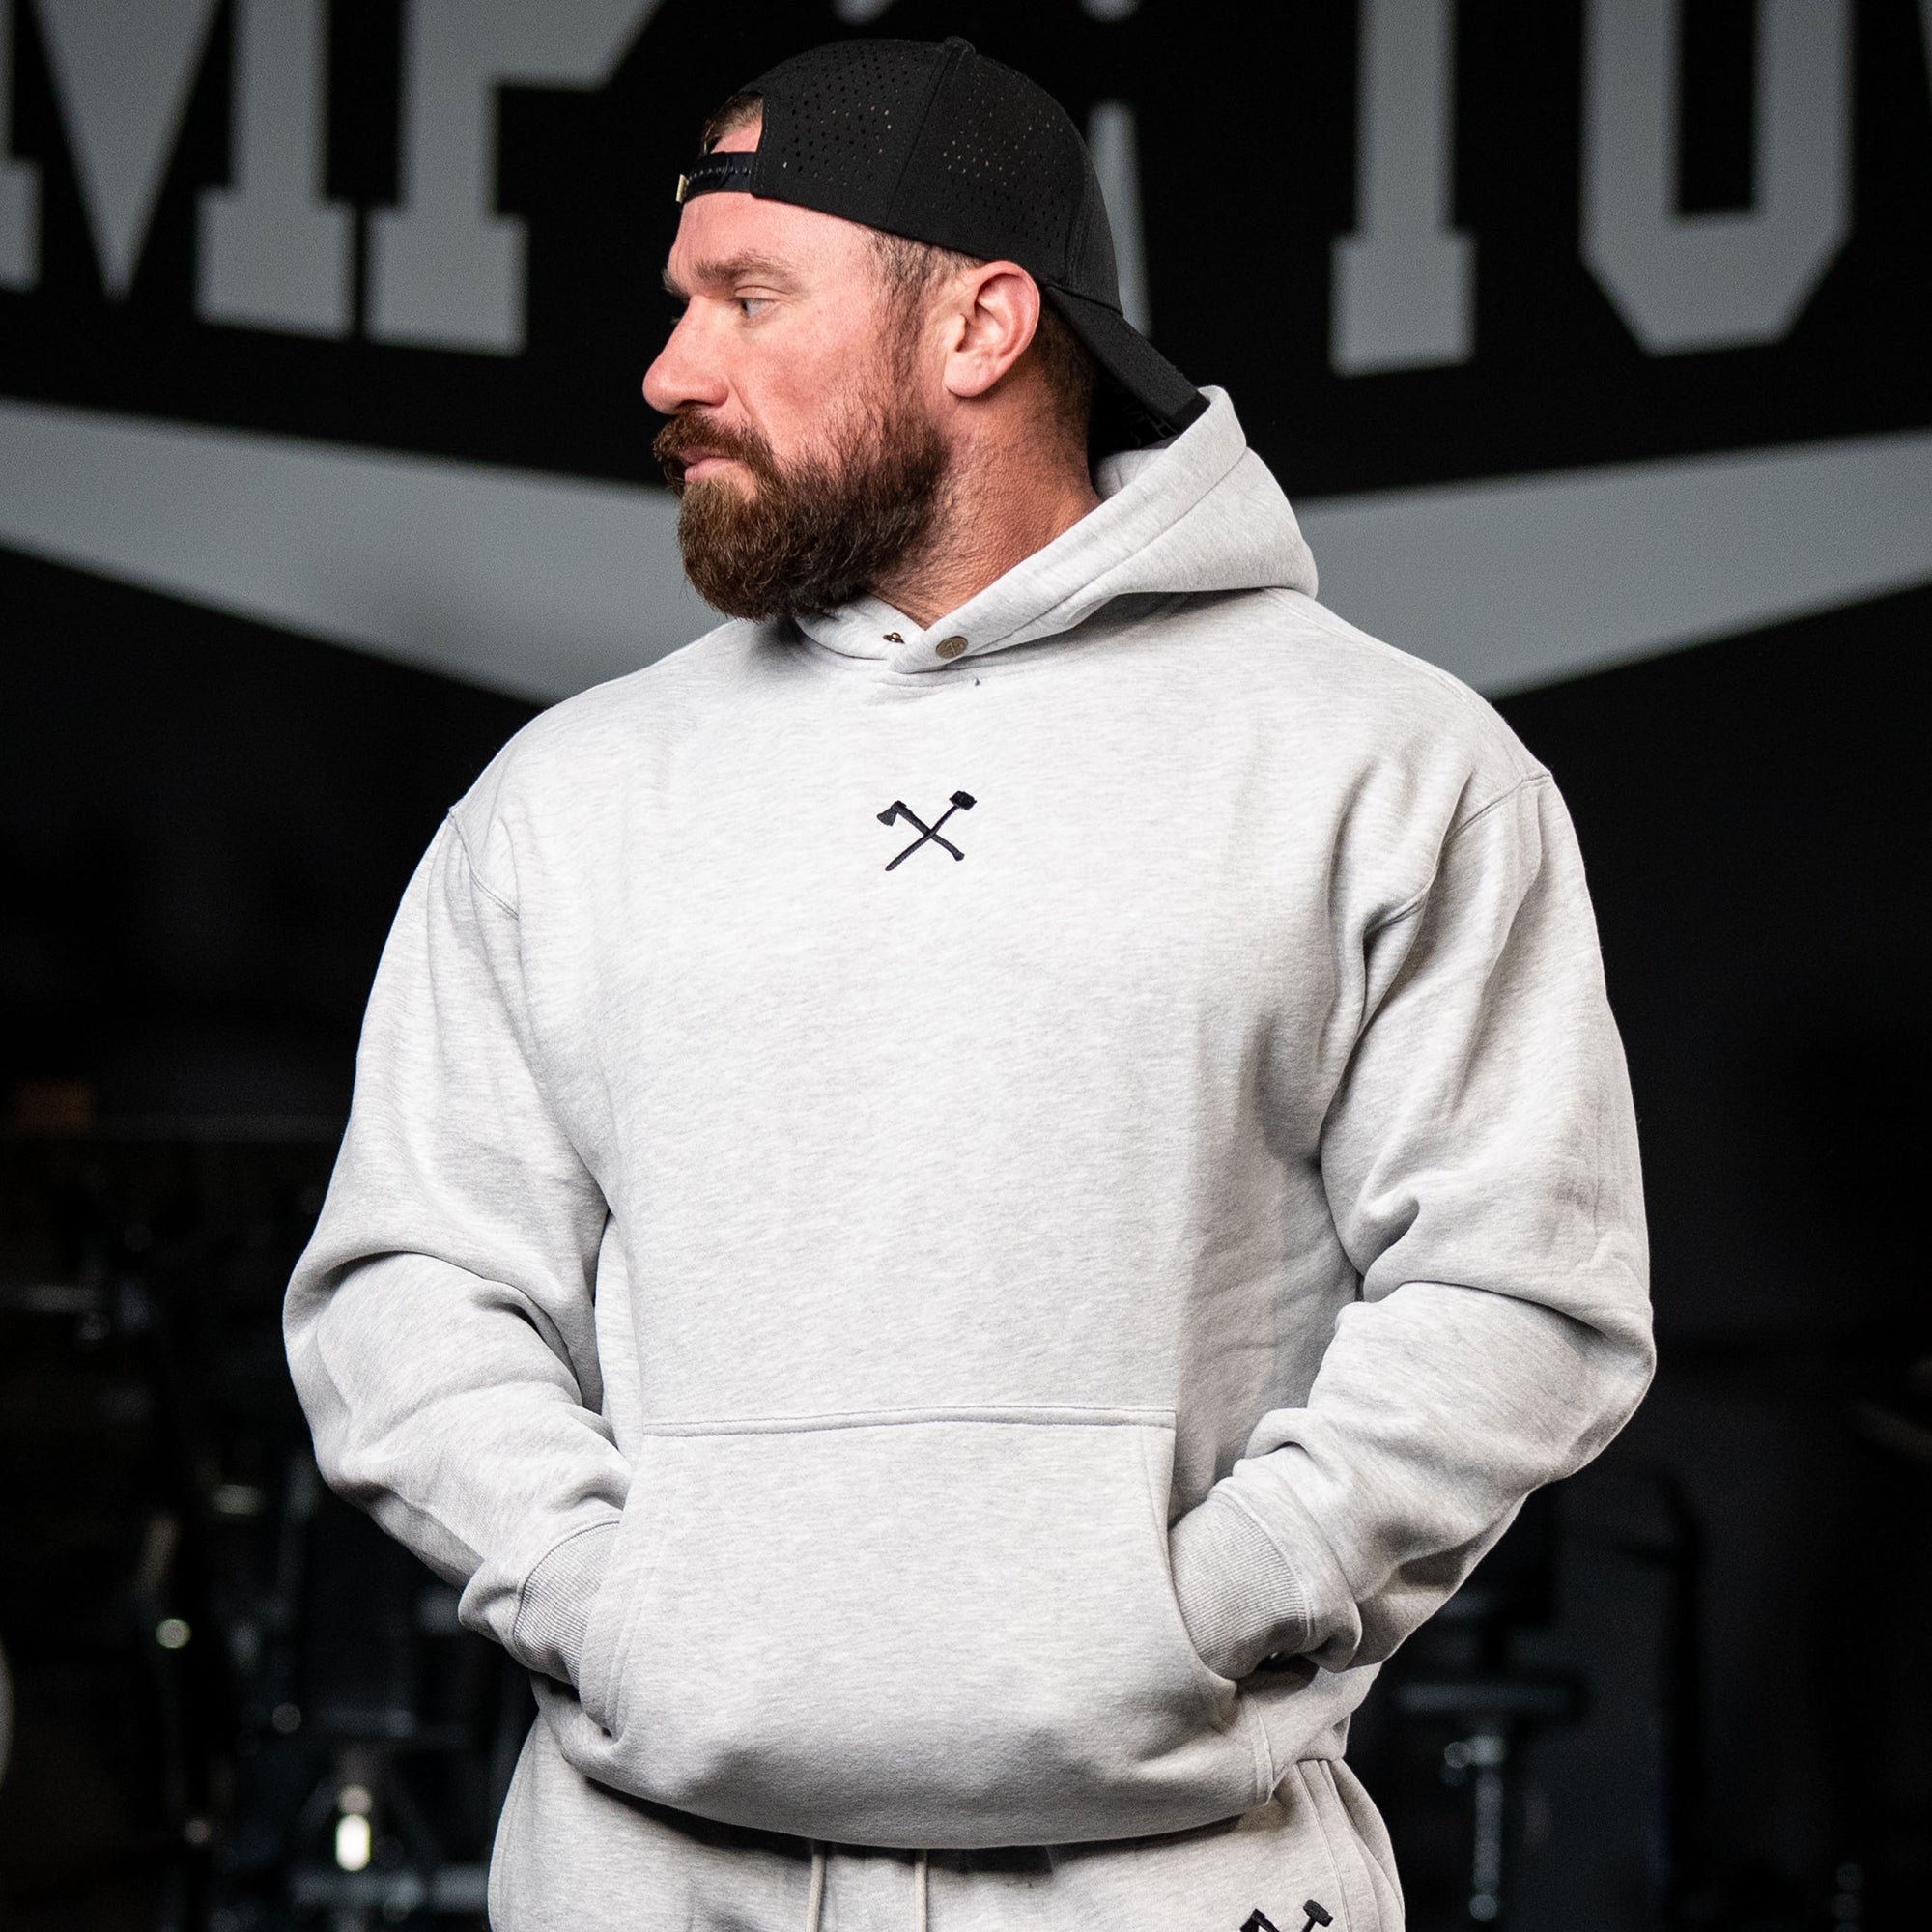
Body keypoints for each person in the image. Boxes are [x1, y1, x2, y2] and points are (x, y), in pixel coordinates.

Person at [285, 35, 1653, 1932]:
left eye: (749, 298)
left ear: (982, 326)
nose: (670, 371)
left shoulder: (1385, 771)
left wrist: (1199, 1610)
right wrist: (616, 1606)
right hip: (645, 1884)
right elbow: (411, 1291)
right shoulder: (569, 800)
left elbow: (1522, 1291)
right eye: (682, 304)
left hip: (1180, 1888)